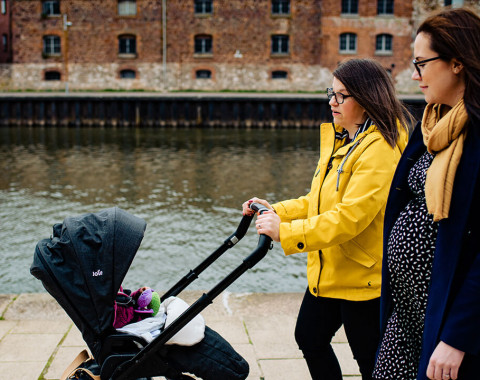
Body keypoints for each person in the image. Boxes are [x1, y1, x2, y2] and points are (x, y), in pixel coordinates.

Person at [242, 58, 410, 380]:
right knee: (309, 336)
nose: (331, 102)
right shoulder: (346, 138)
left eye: (341, 96)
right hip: (333, 269)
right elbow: (318, 200)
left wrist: (286, 233)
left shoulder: (379, 149)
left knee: (370, 364)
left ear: (367, 97)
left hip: (362, 278)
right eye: (330, 93)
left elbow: (348, 218)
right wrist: (277, 210)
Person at [373, 8, 480, 380]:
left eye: (421, 63)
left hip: (449, 320)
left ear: (457, 63)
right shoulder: (431, 122)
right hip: (407, 311)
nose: (413, 75)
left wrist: (459, 337)